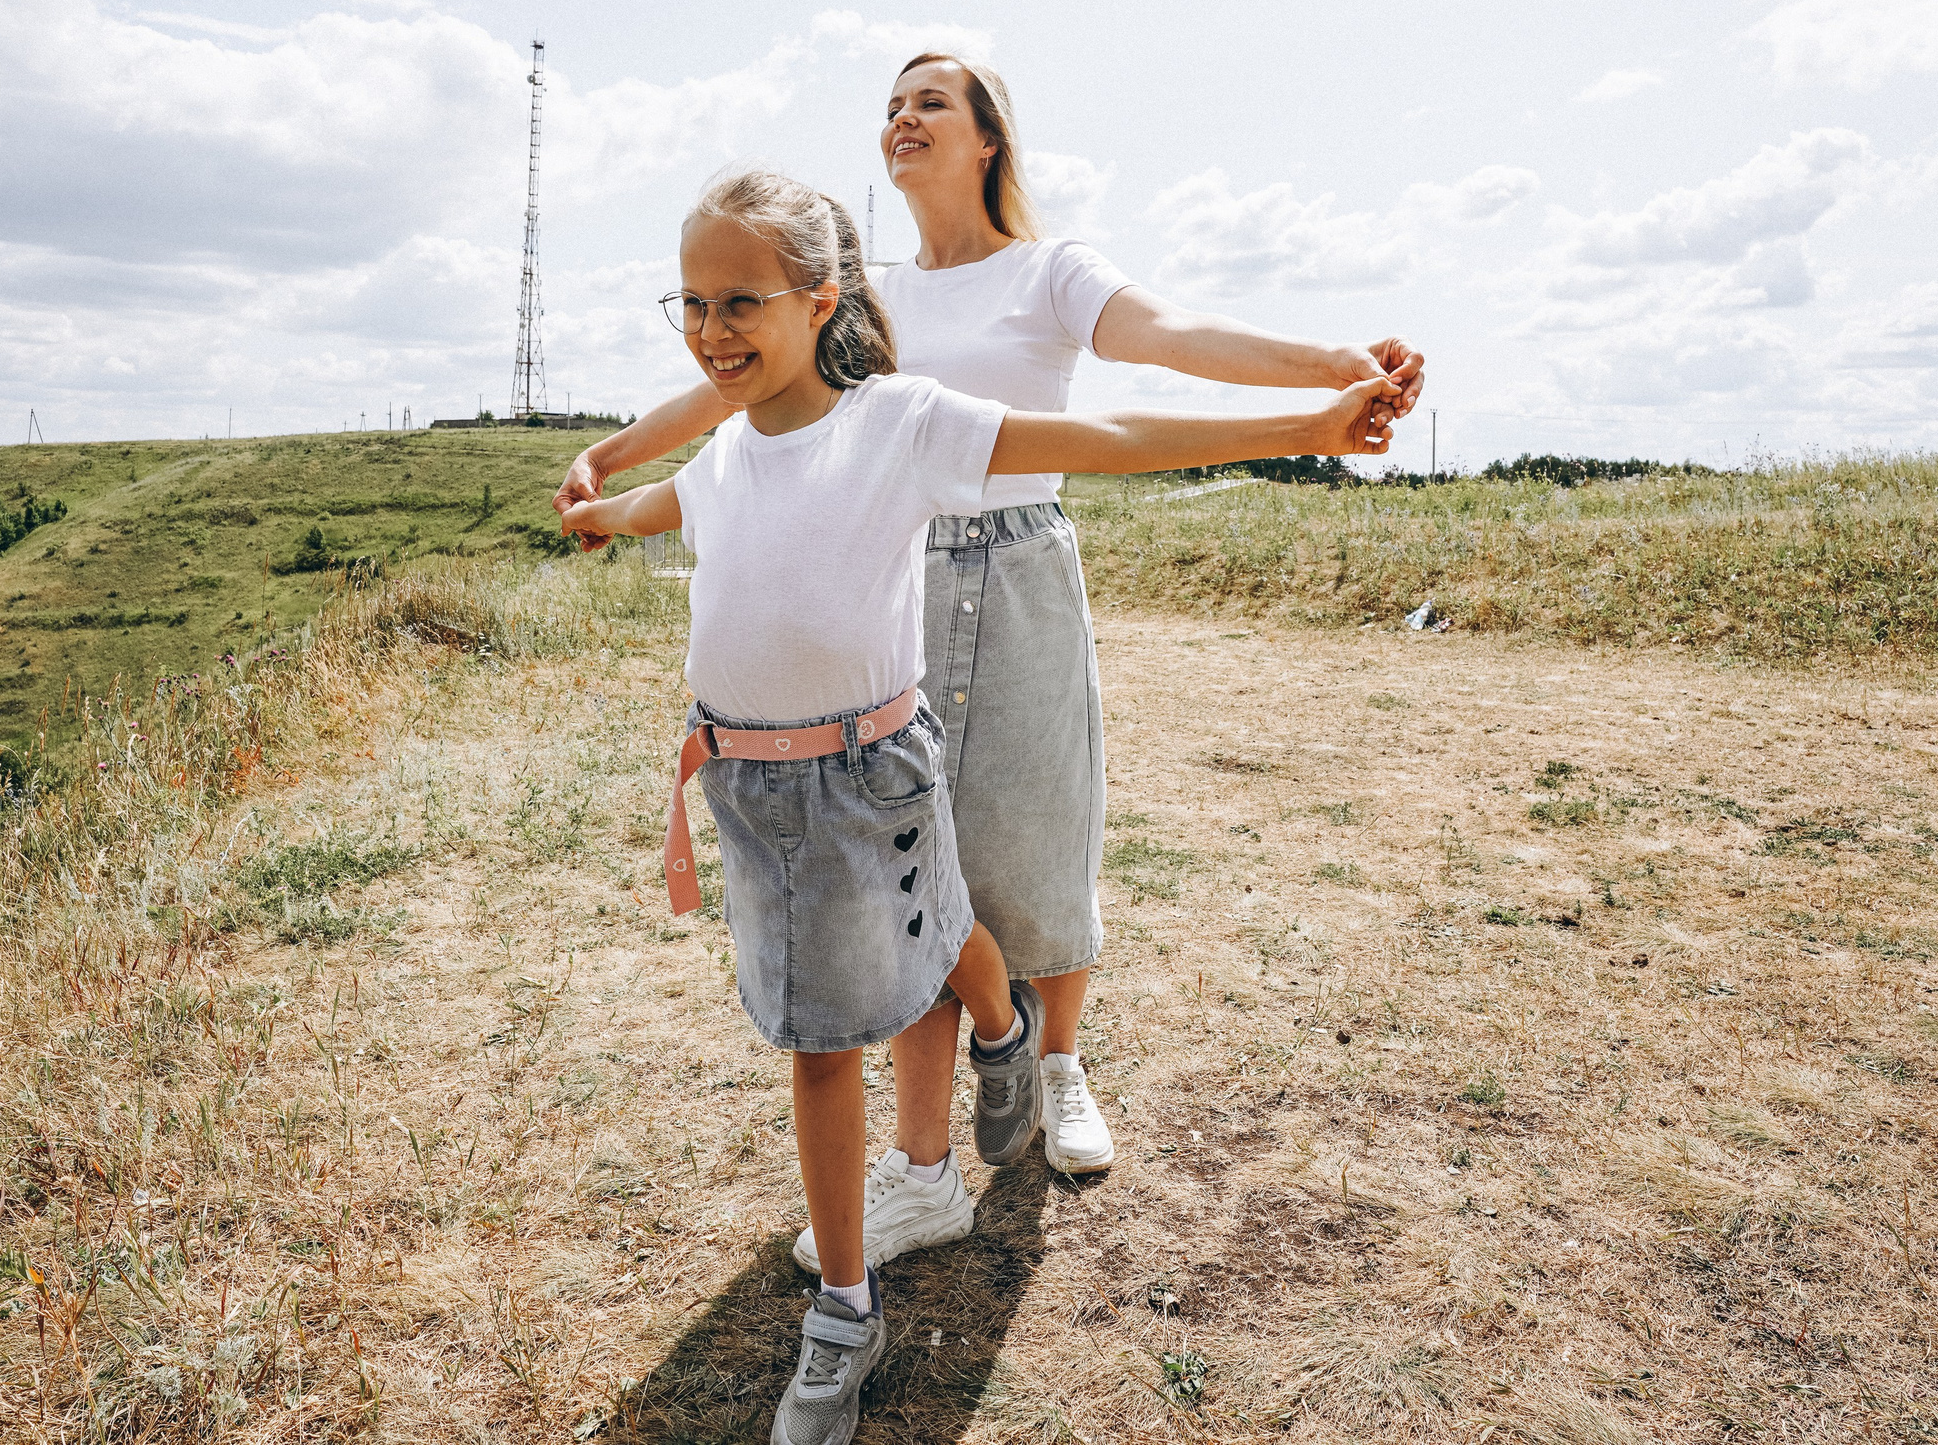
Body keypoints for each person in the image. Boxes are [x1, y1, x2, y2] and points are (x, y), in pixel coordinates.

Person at [560, 166, 1398, 1445]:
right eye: (693, 304)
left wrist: (1311, 424)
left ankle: (860, 1278)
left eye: (741, 302)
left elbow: (1110, 440)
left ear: (819, 300)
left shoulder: (899, 423)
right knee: (831, 1025)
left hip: (875, 768)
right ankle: (906, 1209)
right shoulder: (723, 451)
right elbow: (656, 504)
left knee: (921, 942)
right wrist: (602, 510)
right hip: (749, 790)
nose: (713, 331)